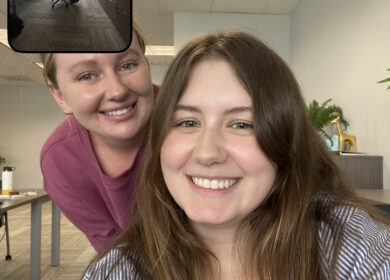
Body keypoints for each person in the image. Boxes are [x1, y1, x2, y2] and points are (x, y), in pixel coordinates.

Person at [83, 30, 390, 279]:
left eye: (242, 124)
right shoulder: (119, 271)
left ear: (285, 143)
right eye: (187, 122)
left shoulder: (350, 247)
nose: (207, 153)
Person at [40, 22, 157, 253]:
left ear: (147, 65)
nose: (117, 91)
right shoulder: (60, 161)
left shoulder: (191, 118)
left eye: (128, 65)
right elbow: (120, 256)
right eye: (87, 76)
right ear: (59, 95)